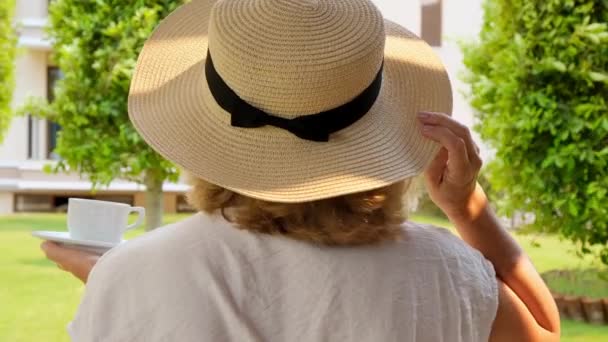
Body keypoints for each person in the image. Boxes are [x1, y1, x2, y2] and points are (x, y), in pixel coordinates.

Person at [41, 0, 560, 341]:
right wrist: (468, 208)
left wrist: (116, 277)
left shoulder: (134, 274)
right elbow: (544, 330)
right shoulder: (451, 274)